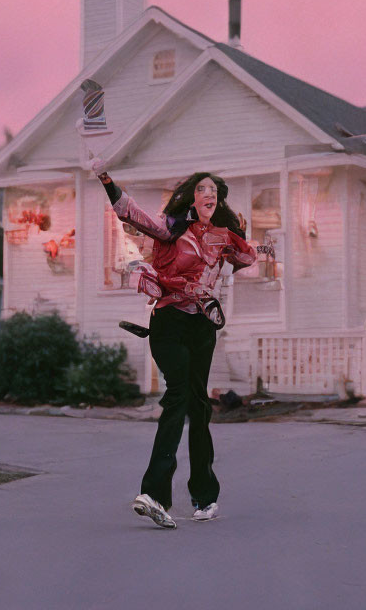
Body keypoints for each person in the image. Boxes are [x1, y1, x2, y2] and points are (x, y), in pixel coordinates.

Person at [92, 159, 256, 529]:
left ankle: (205, 497)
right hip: (168, 320)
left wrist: (236, 237)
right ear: (192, 198)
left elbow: (248, 257)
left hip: (202, 326)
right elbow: (131, 213)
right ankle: (153, 494)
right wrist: (106, 179)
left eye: (214, 191)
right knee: (178, 394)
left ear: (219, 200)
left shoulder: (222, 236)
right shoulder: (171, 228)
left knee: (199, 406)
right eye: (202, 189)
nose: (208, 194)